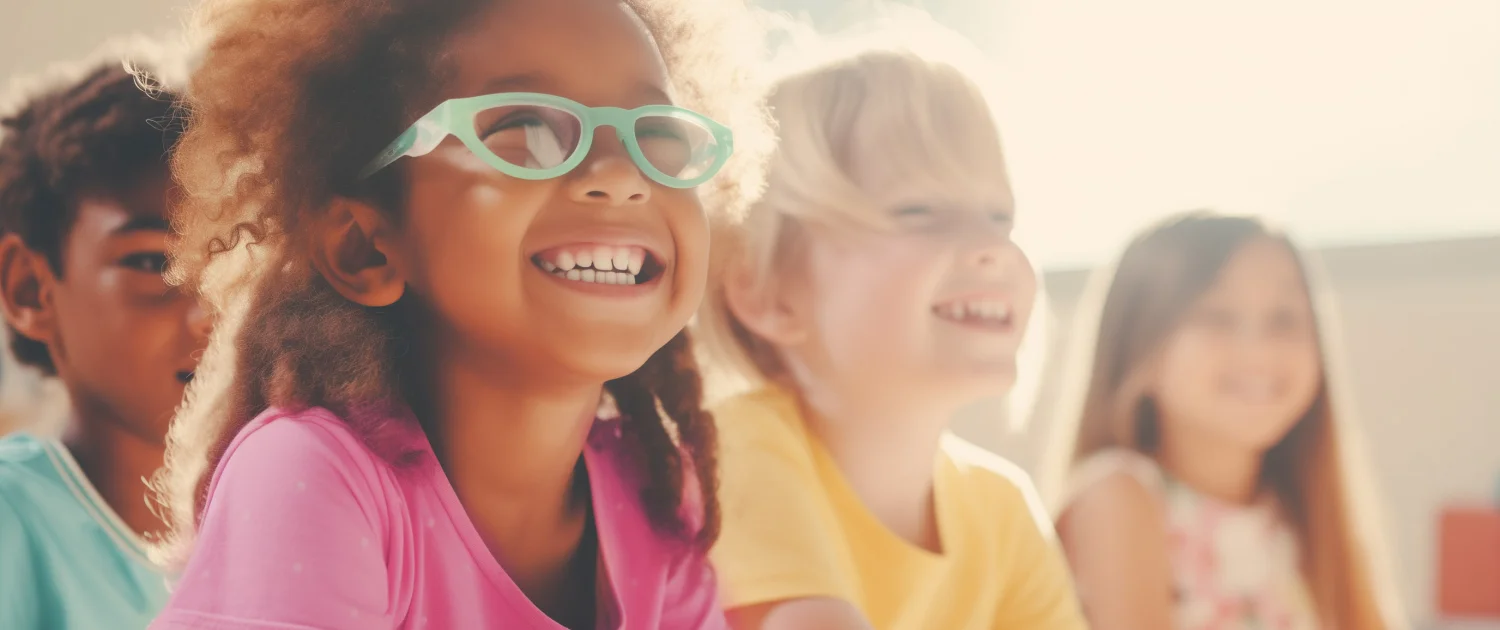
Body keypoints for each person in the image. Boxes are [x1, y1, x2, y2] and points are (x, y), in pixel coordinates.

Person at [147, 0, 765, 628]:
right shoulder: (309, 475)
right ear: (365, 246)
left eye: (658, 136)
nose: (621, 175)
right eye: (526, 131)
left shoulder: (654, 492)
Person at [697, 38, 1087, 630]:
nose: (992, 248)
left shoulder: (1003, 505)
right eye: (919, 211)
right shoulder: (740, 446)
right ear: (766, 291)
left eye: (999, 215)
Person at [1044, 211, 1403, 629]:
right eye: (1217, 315)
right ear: (1141, 346)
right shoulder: (1118, 497)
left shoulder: (1299, 514)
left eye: (1284, 318)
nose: (1259, 349)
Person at [0, 52, 207, 629]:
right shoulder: (13, 515)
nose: (208, 317)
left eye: (235, 265)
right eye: (152, 262)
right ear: (30, 291)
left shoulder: (269, 517)